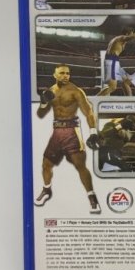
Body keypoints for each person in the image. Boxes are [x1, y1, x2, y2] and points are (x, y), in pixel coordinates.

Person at [34, 64, 102, 214]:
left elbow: (89, 112)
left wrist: (93, 132)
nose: (66, 76)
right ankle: (47, 190)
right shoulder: (51, 91)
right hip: (57, 132)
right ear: (55, 75)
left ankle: (92, 197)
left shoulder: (76, 91)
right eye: (62, 73)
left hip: (72, 131)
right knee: (46, 165)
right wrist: (44, 102)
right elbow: (40, 114)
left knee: (80, 165)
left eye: (68, 73)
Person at [97, 27, 135, 96]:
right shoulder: (121, 38)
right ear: (127, 34)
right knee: (112, 87)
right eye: (131, 33)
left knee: (126, 81)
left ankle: (128, 100)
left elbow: (111, 50)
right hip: (112, 62)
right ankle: (94, 101)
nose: (132, 35)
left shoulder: (119, 40)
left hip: (114, 61)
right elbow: (131, 37)